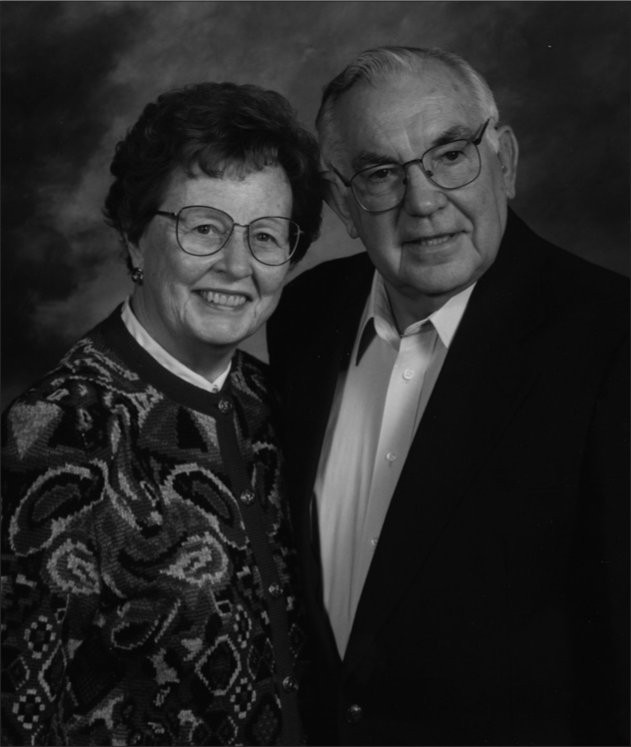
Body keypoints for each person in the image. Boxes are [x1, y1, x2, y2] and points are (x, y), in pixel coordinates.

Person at [267, 46, 629, 746]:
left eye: (450, 154)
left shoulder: (610, 338)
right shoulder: (303, 314)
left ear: (505, 161)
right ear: (342, 201)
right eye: (379, 173)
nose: (423, 200)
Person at [1, 81, 322, 745]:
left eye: (266, 236)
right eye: (204, 228)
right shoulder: (52, 433)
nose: (237, 266)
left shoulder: (285, 400)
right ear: (132, 238)